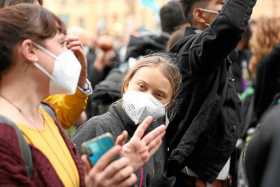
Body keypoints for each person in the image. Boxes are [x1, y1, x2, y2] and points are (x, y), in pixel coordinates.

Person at [0, 4, 165, 187]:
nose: (71, 53)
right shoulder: (4, 136)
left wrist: (113, 169)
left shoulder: (47, 114)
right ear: (30, 50)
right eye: (62, 43)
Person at [164, 0, 257, 186]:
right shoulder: (195, 48)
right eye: (222, 4)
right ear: (200, 15)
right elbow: (229, 25)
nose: (227, 10)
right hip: (196, 179)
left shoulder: (217, 56)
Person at [73, 53, 182, 187]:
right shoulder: (98, 126)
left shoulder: (156, 141)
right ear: (126, 85)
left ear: (169, 103)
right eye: (142, 87)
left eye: (158, 95)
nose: (147, 97)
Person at [0, 0, 92, 129]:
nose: (43, 16)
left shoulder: (46, 113)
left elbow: (63, 115)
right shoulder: (6, 130)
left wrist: (80, 81)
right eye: (61, 43)